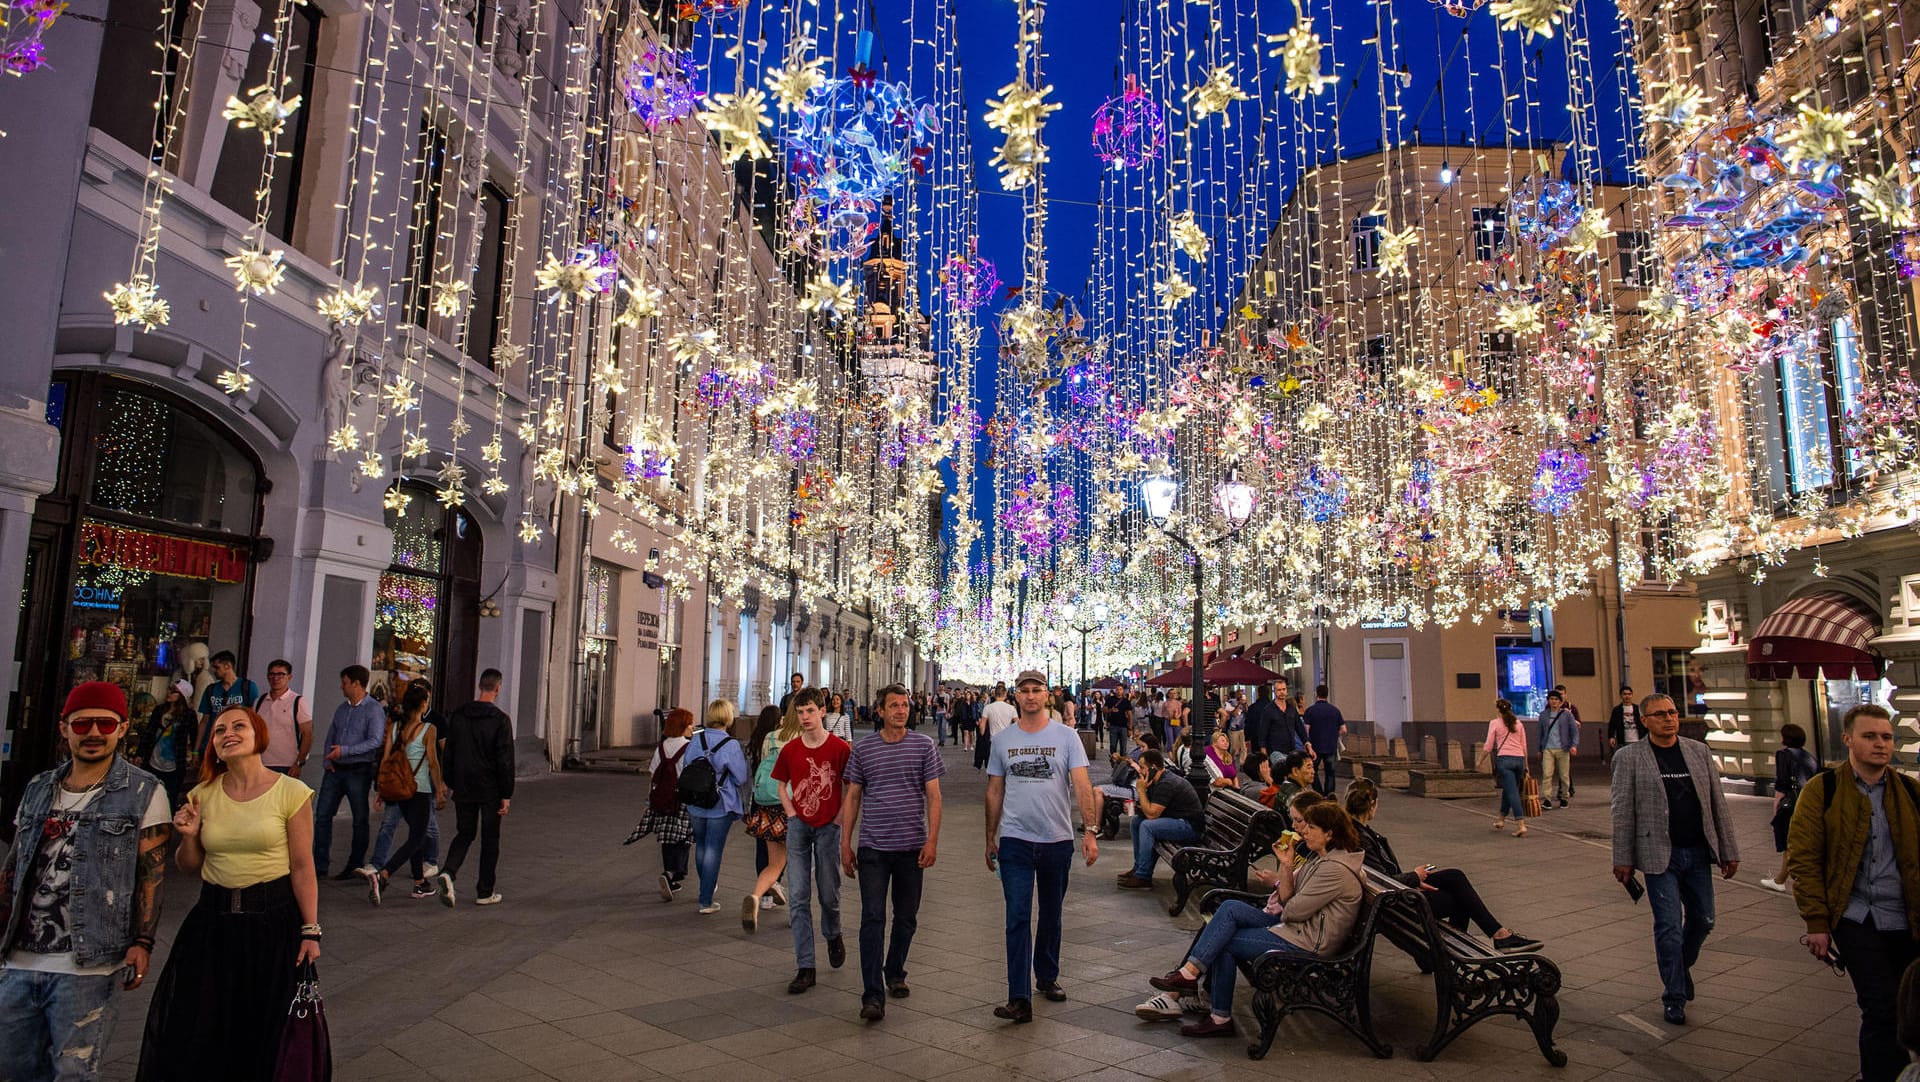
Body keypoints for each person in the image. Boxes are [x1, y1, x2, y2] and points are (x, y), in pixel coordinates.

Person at [137, 705, 320, 1081]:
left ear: (259, 736)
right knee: (202, 1025)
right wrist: (188, 838)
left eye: (239, 726)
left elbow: (302, 867)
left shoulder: (291, 792)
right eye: (220, 730)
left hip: (272, 924)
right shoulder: (202, 794)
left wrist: (310, 930)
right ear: (214, 745)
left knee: (264, 1025)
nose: (228, 733)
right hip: (212, 924)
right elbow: (189, 866)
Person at [0, 682, 171, 1081]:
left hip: (89, 963)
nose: (93, 732)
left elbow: (152, 875)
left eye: (104, 723)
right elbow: (14, 865)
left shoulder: (144, 791)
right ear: (64, 729)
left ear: (122, 728)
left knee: (74, 1071)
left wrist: (143, 941)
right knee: (11, 1068)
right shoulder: (38, 788)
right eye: (82, 724)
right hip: (18, 958)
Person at [1135, 801, 1366, 1036]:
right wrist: (1286, 864)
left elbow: (1292, 910)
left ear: (1329, 833)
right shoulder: (1320, 859)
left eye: (1311, 827)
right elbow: (1287, 897)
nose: (1304, 831)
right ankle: (1191, 980)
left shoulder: (1334, 870)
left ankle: (1214, 1011)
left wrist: (1288, 898)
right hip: (1296, 929)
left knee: (1224, 941)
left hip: (1307, 942)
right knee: (1230, 908)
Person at [1787, 703, 1920, 1082]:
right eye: (1870, 736)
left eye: (1887, 737)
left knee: (1907, 1008)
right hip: (1857, 917)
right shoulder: (1823, 791)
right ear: (1847, 739)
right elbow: (1804, 857)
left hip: (1907, 917)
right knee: (1880, 1008)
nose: (1881, 744)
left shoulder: (1910, 792)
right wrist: (1816, 922)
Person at [1610, 693, 1739, 1026]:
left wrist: (1729, 850)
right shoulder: (1630, 758)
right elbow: (1622, 811)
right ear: (1645, 720)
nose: (1669, 718)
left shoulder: (1698, 752)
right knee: (1668, 926)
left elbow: (1717, 804)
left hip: (1697, 851)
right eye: (1660, 714)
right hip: (1659, 854)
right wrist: (1622, 858)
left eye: (1672, 712)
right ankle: (1674, 996)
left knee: (1705, 920)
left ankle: (1679, 968)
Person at [985, 669, 1098, 1024]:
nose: (1030, 696)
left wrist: (1090, 830)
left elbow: (1081, 784)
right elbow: (994, 790)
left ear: (1046, 695)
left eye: (1036, 690)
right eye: (1024, 691)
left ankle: (1047, 974)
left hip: (1056, 839)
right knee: (1016, 916)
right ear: (1015, 696)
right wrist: (990, 836)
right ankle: (1018, 996)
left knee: (1051, 913)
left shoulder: (1066, 737)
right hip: (1015, 839)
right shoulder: (1003, 741)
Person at [839, 684, 944, 1021]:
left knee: (906, 917)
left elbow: (934, 796)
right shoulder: (864, 749)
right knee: (872, 917)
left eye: (905, 705)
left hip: (912, 846)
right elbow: (853, 796)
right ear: (880, 711)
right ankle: (871, 996)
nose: (901, 710)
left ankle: (894, 970)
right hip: (873, 846)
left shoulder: (924, 745)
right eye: (894, 706)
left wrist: (932, 841)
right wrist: (845, 843)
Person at [1345, 779, 1539, 951]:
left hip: (1389, 897)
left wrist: (1415, 878)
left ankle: (1494, 936)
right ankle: (1460, 949)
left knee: (1454, 877)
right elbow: (1383, 881)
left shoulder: (1357, 831)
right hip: (1394, 904)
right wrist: (1414, 876)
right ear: (1372, 804)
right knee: (1461, 899)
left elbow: (1378, 878)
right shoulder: (1361, 837)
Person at [772, 688, 851, 994]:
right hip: (799, 828)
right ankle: (805, 966)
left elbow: (852, 787)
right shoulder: (790, 749)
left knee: (829, 892)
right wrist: (791, 813)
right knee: (798, 895)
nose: (804, 718)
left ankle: (833, 932)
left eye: (809, 711)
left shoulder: (839, 749)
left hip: (829, 827)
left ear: (822, 712)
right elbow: (780, 785)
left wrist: (839, 818)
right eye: (800, 712)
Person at [436, 669, 515, 908]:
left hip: (464, 785)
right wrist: (506, 793)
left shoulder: (459, 716)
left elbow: (448, 752)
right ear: (498, 688)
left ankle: (449, 872)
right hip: (490, 787)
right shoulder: (500, 720)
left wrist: (449, 781)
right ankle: (484, 891)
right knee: (490, 838)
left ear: (480, 686)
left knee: (465, 832)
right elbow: (505, 759)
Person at [366, 682, 448, 905]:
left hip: (398, 790)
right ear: (423, 704)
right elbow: (432, 761)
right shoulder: (428, 729)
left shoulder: (395, 727)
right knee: (417, 838)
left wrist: (381, 788)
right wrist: (439, 788)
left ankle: (420, 883)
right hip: (419, 789)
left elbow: (385, 760)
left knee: (416, 836)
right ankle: (384, 874)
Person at [312, 664, 386, 879]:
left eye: (345, 683)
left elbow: (374, 741)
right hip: (335, 770)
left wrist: (345, 751)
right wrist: (328, 758)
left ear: (356, 684)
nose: (341, 687)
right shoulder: (342, 709)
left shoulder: (373, 709)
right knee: (323, 816)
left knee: (359, 818)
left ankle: (354, 863)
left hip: (358, 770)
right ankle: (320, 862)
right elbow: (331, 734)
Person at [686, 699, 750, 914]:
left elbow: (686, 764)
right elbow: (741, 776)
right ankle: (705, 899)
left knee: (701, 845)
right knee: (713, 849)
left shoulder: (696, 739)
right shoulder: (730, 744)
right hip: (720, 803)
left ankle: (707, 885)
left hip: (695, 801)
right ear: (728, 717)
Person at [742, 705, 798, 930]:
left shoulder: (770, 737)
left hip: (768, 806)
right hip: (792, 807)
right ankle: (797, 912)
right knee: (798, 862)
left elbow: (765, 768)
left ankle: (756, 897)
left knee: (774, 862)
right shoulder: (803, 737)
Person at [1117, 750, 1206, 889]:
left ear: (1153, 768)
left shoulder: (1167, 783)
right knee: (1136, 822)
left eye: (1142, 767)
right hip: (1175, 820)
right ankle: (1138, 867)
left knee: (1147, 826)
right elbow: (1149, 809)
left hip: (1189, 826)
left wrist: (1140, 791)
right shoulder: (1155, 781)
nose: (1140, 771)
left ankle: (1143, 876)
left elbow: (1152, 814)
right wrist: (1136, 806)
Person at [1760, 723, 1820, 893]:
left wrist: (1777, 806)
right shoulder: (1809, 757)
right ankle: (1781, 878)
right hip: (1808, 803)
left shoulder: (1784, 755)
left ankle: (1781, 880)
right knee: (1798, 843)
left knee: (1789, 843)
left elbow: (1782, 783)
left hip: (1791, 804)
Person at [648, 708, 697, 899]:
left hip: (663, 798)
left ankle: (671, 875)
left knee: (667, 837)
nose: (692, 728)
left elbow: (652, 775)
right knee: (683, 837)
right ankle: (671, 874)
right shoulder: (689, 747)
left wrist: (651, 799)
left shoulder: (661, 747)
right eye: (690, 724)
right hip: (682, 799)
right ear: (682, 726)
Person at [139, 679, 198, 808]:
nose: (169, 693)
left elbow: (194, 736)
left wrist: (195, 753)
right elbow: (149, 732)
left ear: (182, 696)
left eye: (174, 691)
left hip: (174, 762)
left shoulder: (188, 715)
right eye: (170, 689)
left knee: (170, 798)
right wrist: (140, 753)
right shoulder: (159, 710)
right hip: (153, 760)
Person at [194, 650, 259, 761]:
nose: (214, 671)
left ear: (228, 666)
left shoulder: (247, 687)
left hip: (236, 744)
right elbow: (204, 721)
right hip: (211, 744)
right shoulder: (211, 689)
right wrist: (196, 749)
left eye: (217, 667)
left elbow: (254, 717)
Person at [253, 659, 313, 777]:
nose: (276, 678)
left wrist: (299, 763)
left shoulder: (297, 701)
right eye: (272, 674)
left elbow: (307, 734)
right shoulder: (259, 701)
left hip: (287, 764)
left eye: (281, 674)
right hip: (261, 762)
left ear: (289, 677)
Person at [1486, 698, 1530, 837]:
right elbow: (1524, 746)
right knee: (1509, 788)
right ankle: (1501, 819)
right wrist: (1526, 765)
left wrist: (1480, 761)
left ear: (1498, 709)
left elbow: (1488, 746)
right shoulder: (1519, 723)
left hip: (1504, 761)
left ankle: (1521, 824)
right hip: (1519, 760)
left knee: (1512, 793)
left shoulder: (1495, 723)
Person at [1537, 690, 1579, 809]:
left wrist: (1573, 745)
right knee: (1547, 774)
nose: (1554, 701)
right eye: (1551, 699)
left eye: (1556, 699)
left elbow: (1574, 732)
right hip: (1548, 749)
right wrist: (1539, 748)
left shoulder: (1567, 715)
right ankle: (1547, 799)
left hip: (1563, 749)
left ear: (1561, 702)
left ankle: (1564, 797)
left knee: (1564, 775)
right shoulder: (1543, 715)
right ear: (1548, 701)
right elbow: (1540, 733)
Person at [1303, 685, 1345, 794]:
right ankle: (1329, 795)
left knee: (1312, 771)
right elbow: (1344, 729)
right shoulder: (1335, 711)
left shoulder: (1310, 711)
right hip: (1330, 746)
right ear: (1327, 694)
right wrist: (1334, 734)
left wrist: (1307, 743)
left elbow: (1306, 730)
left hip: (1315, 747)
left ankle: (1318, 793)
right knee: (1330, 773)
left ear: (1316, 694)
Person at [1243, 682, 1284, 764]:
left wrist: (1247, 738)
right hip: (1272, 739)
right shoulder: (1275, 707)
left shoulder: (1253, 708)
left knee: (1258, 760)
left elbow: (1248, 724)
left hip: (1255, 738)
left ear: (1258, 693)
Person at [1606, 686, 1641, 757]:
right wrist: (1611, 736)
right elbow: (1612, 724)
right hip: (1623, 740)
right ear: (1621, 696)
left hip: (1637, 739)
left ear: (1632, 695)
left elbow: (1643, 724)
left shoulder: (1638, 709)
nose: (1627, 696)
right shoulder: (1617, 710)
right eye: (1624, 694)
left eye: (1629, 694)